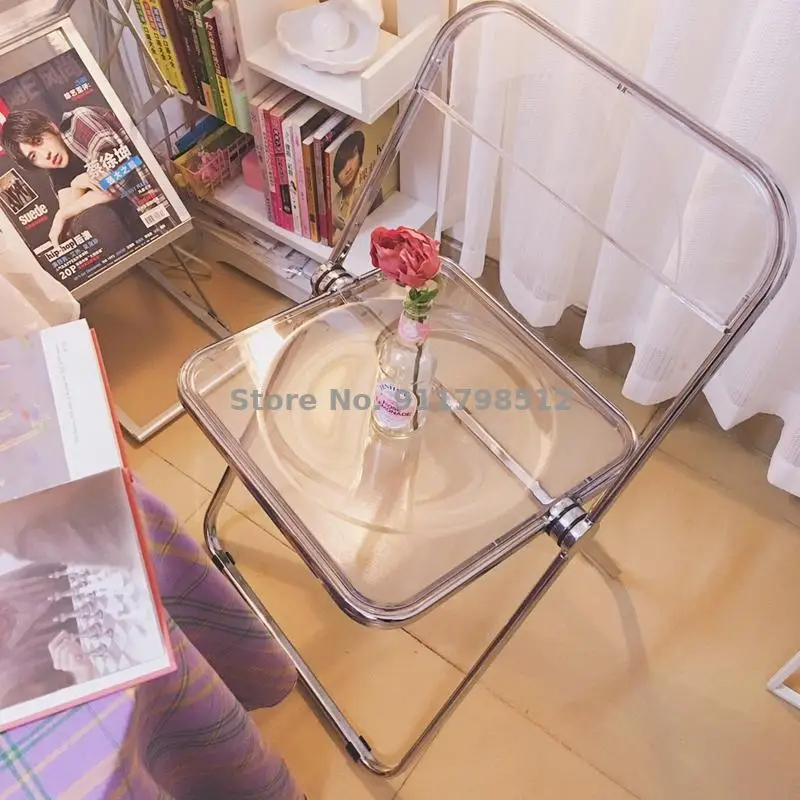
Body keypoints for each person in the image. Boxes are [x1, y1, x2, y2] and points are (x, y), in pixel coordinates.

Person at [1, 107, 148, 250]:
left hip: (152, 196)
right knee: (86, 220)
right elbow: (70, 223)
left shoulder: (80, 121)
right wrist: (77, 186)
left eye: (38, 141)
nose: (45, 155)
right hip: (133, 220)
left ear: (51, 126)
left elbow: (116, 182)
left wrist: (61, 214)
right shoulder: (57, 170)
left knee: (96, 217)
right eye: (33, 156)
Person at [331, 129, 383, 242]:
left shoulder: (369, 186)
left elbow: (381, 219)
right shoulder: (334, 205)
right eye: (342, 165)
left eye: (352, 156)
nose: (348, 169)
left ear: (360, 157)